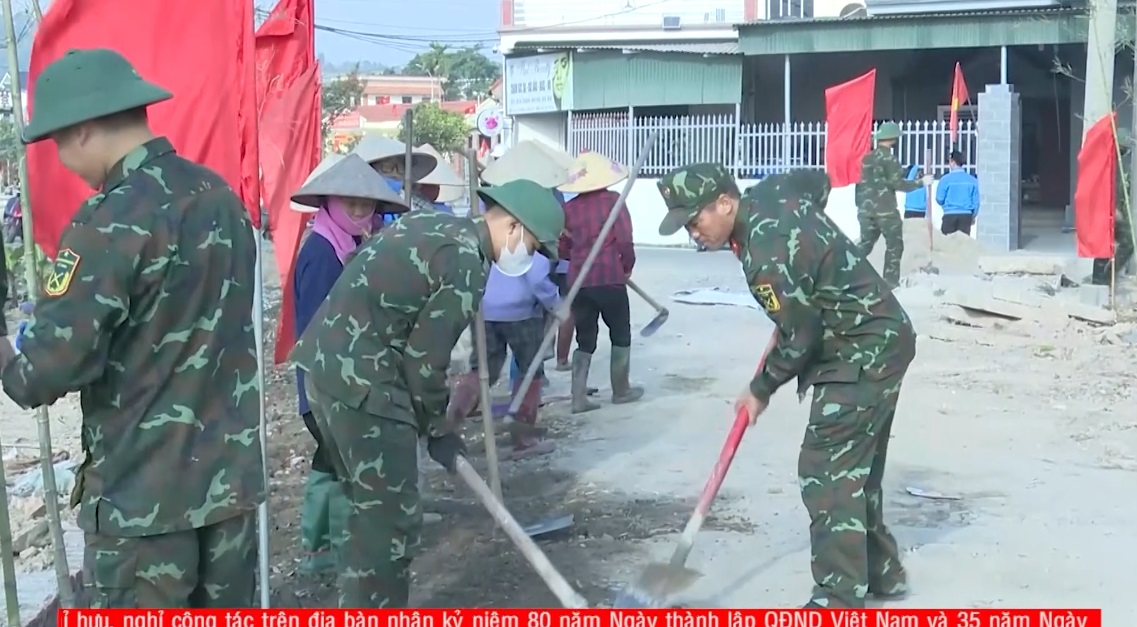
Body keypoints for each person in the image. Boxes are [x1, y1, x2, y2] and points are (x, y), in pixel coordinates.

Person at [0, 49, 261, 607]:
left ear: (84, 129)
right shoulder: (219, 197)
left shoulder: (108, 221)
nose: (61, 160)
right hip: (227, 492)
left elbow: (38, 374)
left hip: (142, 510)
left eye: (57, 144)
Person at [290, 178, 564, 608]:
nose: (531, 258)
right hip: (366, 386)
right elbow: (425, 361)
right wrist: (438, 427)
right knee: (391, 524)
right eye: (534, 246)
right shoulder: (466, 263)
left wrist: (431, 424)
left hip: (324, 373)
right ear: (513, 227)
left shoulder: (431, 227)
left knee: (365, 513)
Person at [655, 163, 916, 610]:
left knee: (826, 469)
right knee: (857, 470)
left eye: (695, 222)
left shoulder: (764, 257)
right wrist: (810, 271)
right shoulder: (775, 191)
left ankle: (837, 596)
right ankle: (881, 574)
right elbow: (819, 181)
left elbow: (802, 336)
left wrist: (759, 388)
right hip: (886, 334)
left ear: (724, 203)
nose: (693, 234)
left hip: (859, 350)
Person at [290, 153, 409, 575]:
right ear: (329, 203)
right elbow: (317, 327)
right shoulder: (323, 252)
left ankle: (318, 547)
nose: (359, 210)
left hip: (336, 377)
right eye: (350, 203)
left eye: (366, 204)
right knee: (343, 465)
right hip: (328, 378)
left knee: (329, 459)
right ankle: (337, 550)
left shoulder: (350, 244)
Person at [446, 247, 562, 460]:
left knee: (482, 370)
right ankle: (525, 439)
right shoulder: (528, 238)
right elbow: (537, 279)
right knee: (530, 371)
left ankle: (452, 419)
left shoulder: (492, 234)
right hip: (521, 311)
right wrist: (555, 304)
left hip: (485, 310)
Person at [558, 151, 643, 413]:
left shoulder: (568, 209)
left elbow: (563, 247)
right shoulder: (613, 203)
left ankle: (578, 398)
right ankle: (621, 389)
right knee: (620, 332)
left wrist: (576, 256)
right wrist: (627, 266)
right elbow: (625, 240)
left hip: (579, 281)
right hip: (609, 278)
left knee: (585, 338)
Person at [855, 122, 931, 288]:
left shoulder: (866, 158)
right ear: (893, 139)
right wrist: (921, 182)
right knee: (894, 246)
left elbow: (861, 183)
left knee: (864, 244)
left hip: (865, 209)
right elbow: (898, 185)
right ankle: (890, 283)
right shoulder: (890, 159)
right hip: (886, 211)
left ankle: (844, 272)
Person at [1092, 128, 1136, 285]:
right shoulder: (1109, 160)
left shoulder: (1114, 159)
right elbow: (1106, 186)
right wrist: (1113, 207)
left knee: (1107, 243)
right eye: (1125, 147)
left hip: (1107, 209)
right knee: (1126, 243)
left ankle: (1102, 278)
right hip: (1107, 209)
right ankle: (1104, 277)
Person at [935, 151, 980, 236]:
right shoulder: (972, 180)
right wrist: (973, 216)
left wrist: (946, 205)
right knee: (963, 244)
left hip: (949, 215)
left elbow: (939, 199)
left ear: (953, 162)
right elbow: (976, 203)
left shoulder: (945, 179)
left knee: (947, 243)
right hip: (966, 215)